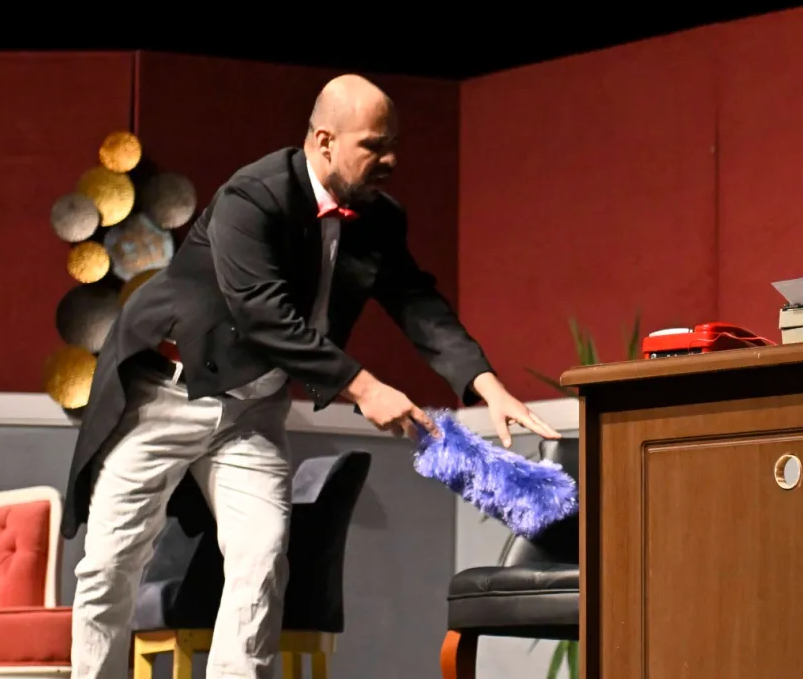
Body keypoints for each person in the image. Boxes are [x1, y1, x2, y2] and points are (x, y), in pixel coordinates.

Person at [63, 74, 561, 679]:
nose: (391, 160)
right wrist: (366, 388)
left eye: (393, 145)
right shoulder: (253, 195)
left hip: (252, 412)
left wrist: (486, 384)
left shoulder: (379, 217)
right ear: (324, 140)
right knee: (109, 564)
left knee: (262, 559)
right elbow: (262, 313)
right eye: (374, 146)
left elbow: (418, 303)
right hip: (167, 392)